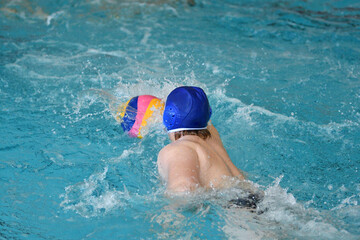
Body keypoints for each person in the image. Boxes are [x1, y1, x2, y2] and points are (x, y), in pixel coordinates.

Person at [157, 86, 247, 193]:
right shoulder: (211, 136)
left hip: (233, 205)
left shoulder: (178, 150)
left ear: (167, 117)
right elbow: (195, 110)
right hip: (252, 197)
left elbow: (183, 190)